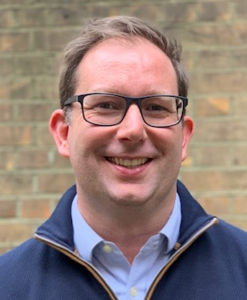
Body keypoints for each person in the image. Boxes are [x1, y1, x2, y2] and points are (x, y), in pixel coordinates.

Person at [1, 15, 247, 300]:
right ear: (64, 133)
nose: (133, 130)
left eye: (156, 107)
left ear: (184, 137)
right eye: (106, 105)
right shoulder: (7, 286)